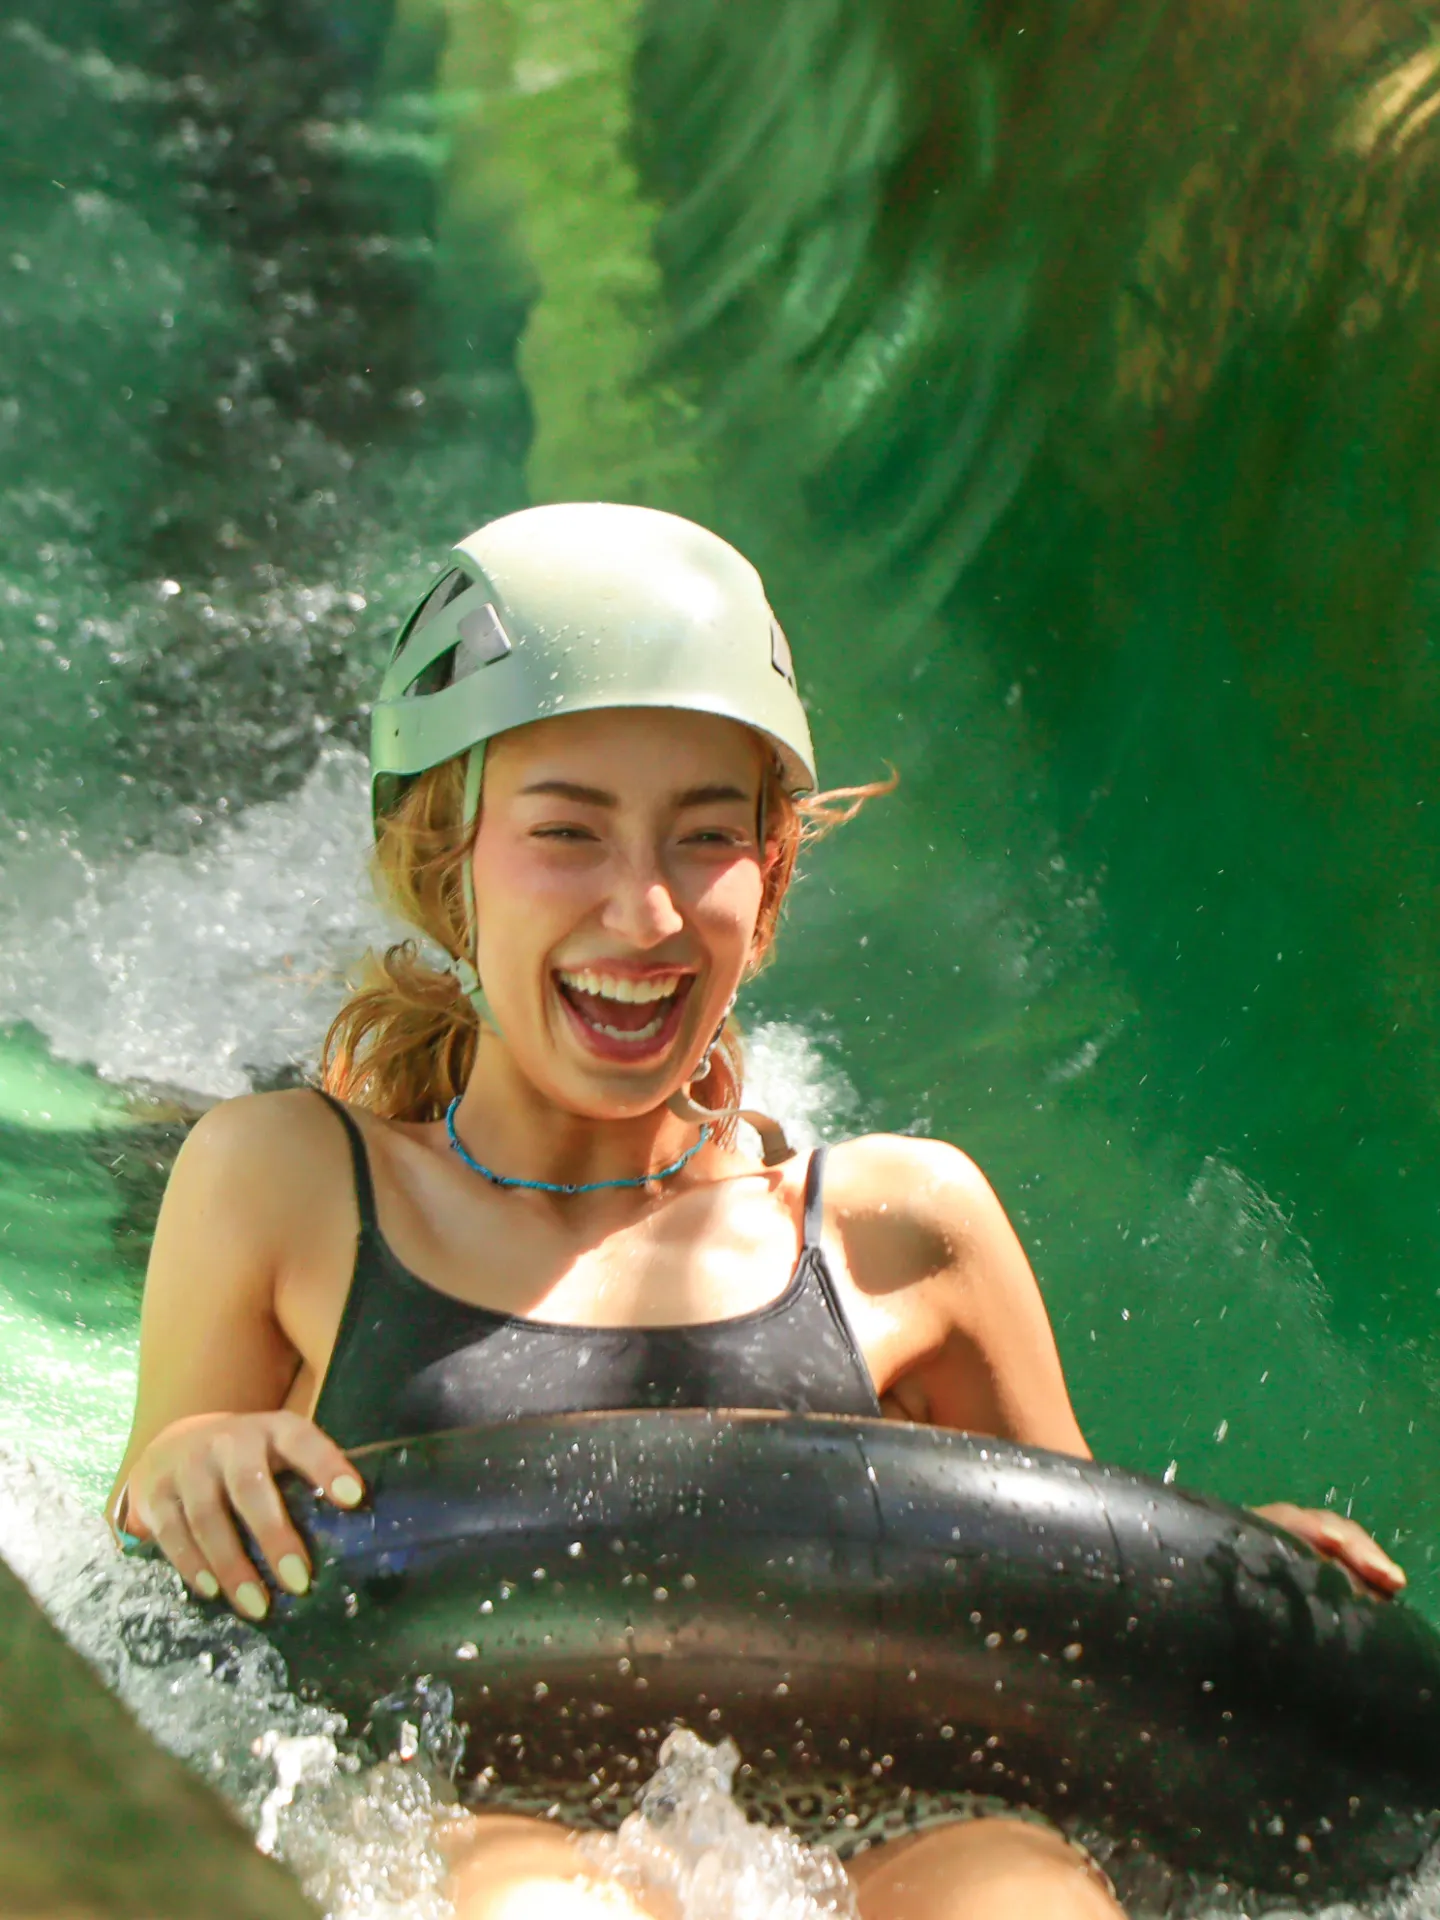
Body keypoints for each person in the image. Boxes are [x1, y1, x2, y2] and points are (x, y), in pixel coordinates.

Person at [109, 503, 1403, 1920]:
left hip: (892, 1821)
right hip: (493, 1820)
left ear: (770, 875)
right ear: (446, 862)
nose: (647, 910)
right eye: (566, 833)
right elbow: (148, 1589)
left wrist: (1238, 1575)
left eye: (706, 838)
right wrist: (189, 1459)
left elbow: (1079, 1613)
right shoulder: (291, 1182)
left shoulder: (900, 1231)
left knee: (1019, 1891)